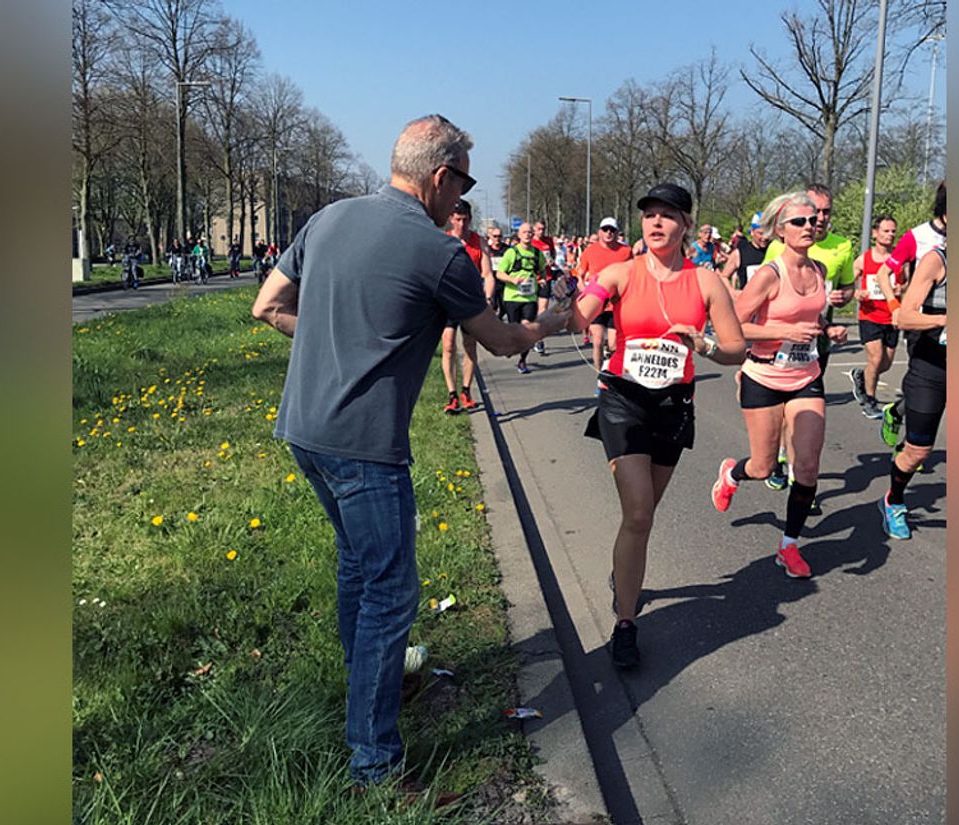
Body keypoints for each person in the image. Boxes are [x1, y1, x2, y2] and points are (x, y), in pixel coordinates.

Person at [251, 114, 571, 788]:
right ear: (439, 176)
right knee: (392, 594)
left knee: (357, 570)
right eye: (464, 183)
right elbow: (503, 342)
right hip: (364, 447)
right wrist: (556, 320)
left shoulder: (328, 219)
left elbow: (268, 306)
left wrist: (336, 339)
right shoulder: (438, 251)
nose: (463, 199)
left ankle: (372, 684)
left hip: (304, 431)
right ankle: (373, 760)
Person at [573, 183, 746, 669]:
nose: (655, 223)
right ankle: (626, 622)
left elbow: (737, 351)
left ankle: (622, 573)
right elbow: (583, 311)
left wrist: (702, 342)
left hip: (673, 404)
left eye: (667, 215)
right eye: (649, 215)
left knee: (640, 520)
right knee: (640, 513)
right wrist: (572, 309)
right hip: (623, 400)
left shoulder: (706, 281)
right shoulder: (620, 272)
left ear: (685, 225)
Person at [711, 191, 848, 579]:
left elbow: (810, 319)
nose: (810, 226)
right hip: (765, 377)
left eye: (814, 220)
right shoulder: (770, 274)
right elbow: (733, 327)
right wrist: (784, 330)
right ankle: (731, 474)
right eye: (800, 221)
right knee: (763, 466)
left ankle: (789, 546)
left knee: (806, 466)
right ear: (779, 230)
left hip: (806, 377)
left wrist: (828, 327)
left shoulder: (820, 270)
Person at [761, 183, 854, 495]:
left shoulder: (841, 247)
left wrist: (842, 298)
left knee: (802, 408)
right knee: (787, 408)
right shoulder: (778, 247)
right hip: (777, 346)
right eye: (814, 213)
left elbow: (847, 288)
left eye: (825, 213)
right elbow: (757, 300)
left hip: (816, 340)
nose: (819, 219)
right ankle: (783, 462)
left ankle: (796, 470)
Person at [873, 181, 947, 449]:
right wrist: (894, 306)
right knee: (926, 388)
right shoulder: (916, 236)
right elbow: (883, 273)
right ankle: (908, 443)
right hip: (922, 322)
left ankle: (899, 416)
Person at [879, 246, 946, 539]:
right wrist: (945, 319)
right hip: (931, 368)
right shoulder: (936, 260)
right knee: (918, 451)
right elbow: (904, 318)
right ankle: (894, 500)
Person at [441, 199, 495, 413]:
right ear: (450, 220)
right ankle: (452, 394)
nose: (461, 224)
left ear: (470, 219)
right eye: (457, 220)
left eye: (464, 220)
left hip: (471, 300)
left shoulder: (478, 242)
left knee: (470, 346)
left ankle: (466, 390)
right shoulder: (443, 241)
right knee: (448, 345)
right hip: (448, 301)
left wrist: (488, 299)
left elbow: (488, 274)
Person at [849, 215, 900, 418]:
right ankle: (870, 400)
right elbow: (847, 284)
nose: (890, 235)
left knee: (884, 364)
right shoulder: (864, 259)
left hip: (891, 317)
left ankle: (861, 375)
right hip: (869, 315)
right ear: (875, 233)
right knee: (876, 358)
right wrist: (856, 293)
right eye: (886, 231)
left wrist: (900, 290)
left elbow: (907, 285)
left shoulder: (898, 258)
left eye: (893, 231)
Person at [576, 217, 632, 387]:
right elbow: (579, 274)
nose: (609, 233)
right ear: (599, 232)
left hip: (617, 304)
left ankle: (610, 367)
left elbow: (633, 273)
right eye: (605, 229)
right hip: (597, 303)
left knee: (614, 345)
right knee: (598, 341)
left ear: (617, 233)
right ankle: (600, 376)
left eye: (612, 230)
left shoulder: (626, 251)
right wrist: (583, 289)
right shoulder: (590, 251)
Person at [496, 222, 546, 374]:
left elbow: (543, 271)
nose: (527, 234)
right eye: (524, 232)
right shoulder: (512, 253)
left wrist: (542, 280)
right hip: (512, 297)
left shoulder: (538, 254)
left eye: (530, 232)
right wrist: (513, 280)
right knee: (514, 329)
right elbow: (499, 273)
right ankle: (510, 346)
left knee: (527, 330)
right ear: (519, 235)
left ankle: (522, 361)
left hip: (529, 298)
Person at [718, 212, 769, 294]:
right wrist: (732, 292)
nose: (765, 237)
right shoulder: (740, 253)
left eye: (767, 233)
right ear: (752, 232)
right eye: (760, 233)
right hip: (748, 302)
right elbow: (724, 277)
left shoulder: (775, 249)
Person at [532, 220, 556, 355]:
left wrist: (551, 261)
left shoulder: (548, 241)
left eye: (543, 229)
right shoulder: (530, 242)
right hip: (531, 280)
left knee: (543, 309)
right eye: (539, 229)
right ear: (534, 229)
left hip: (546, 278)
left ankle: (539, 339)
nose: (541, 231)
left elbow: (552, 254)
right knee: (530, 310)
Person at [486, 223, 509, 319]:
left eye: (499, 236)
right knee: (493, 304)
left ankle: (498, 318)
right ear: (490, 237)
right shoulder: (487, 250)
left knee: (504, 306)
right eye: (495, 236)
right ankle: (494, 322)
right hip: (492, 281)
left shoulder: (507, 249)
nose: (497, 239)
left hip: (504, 281)